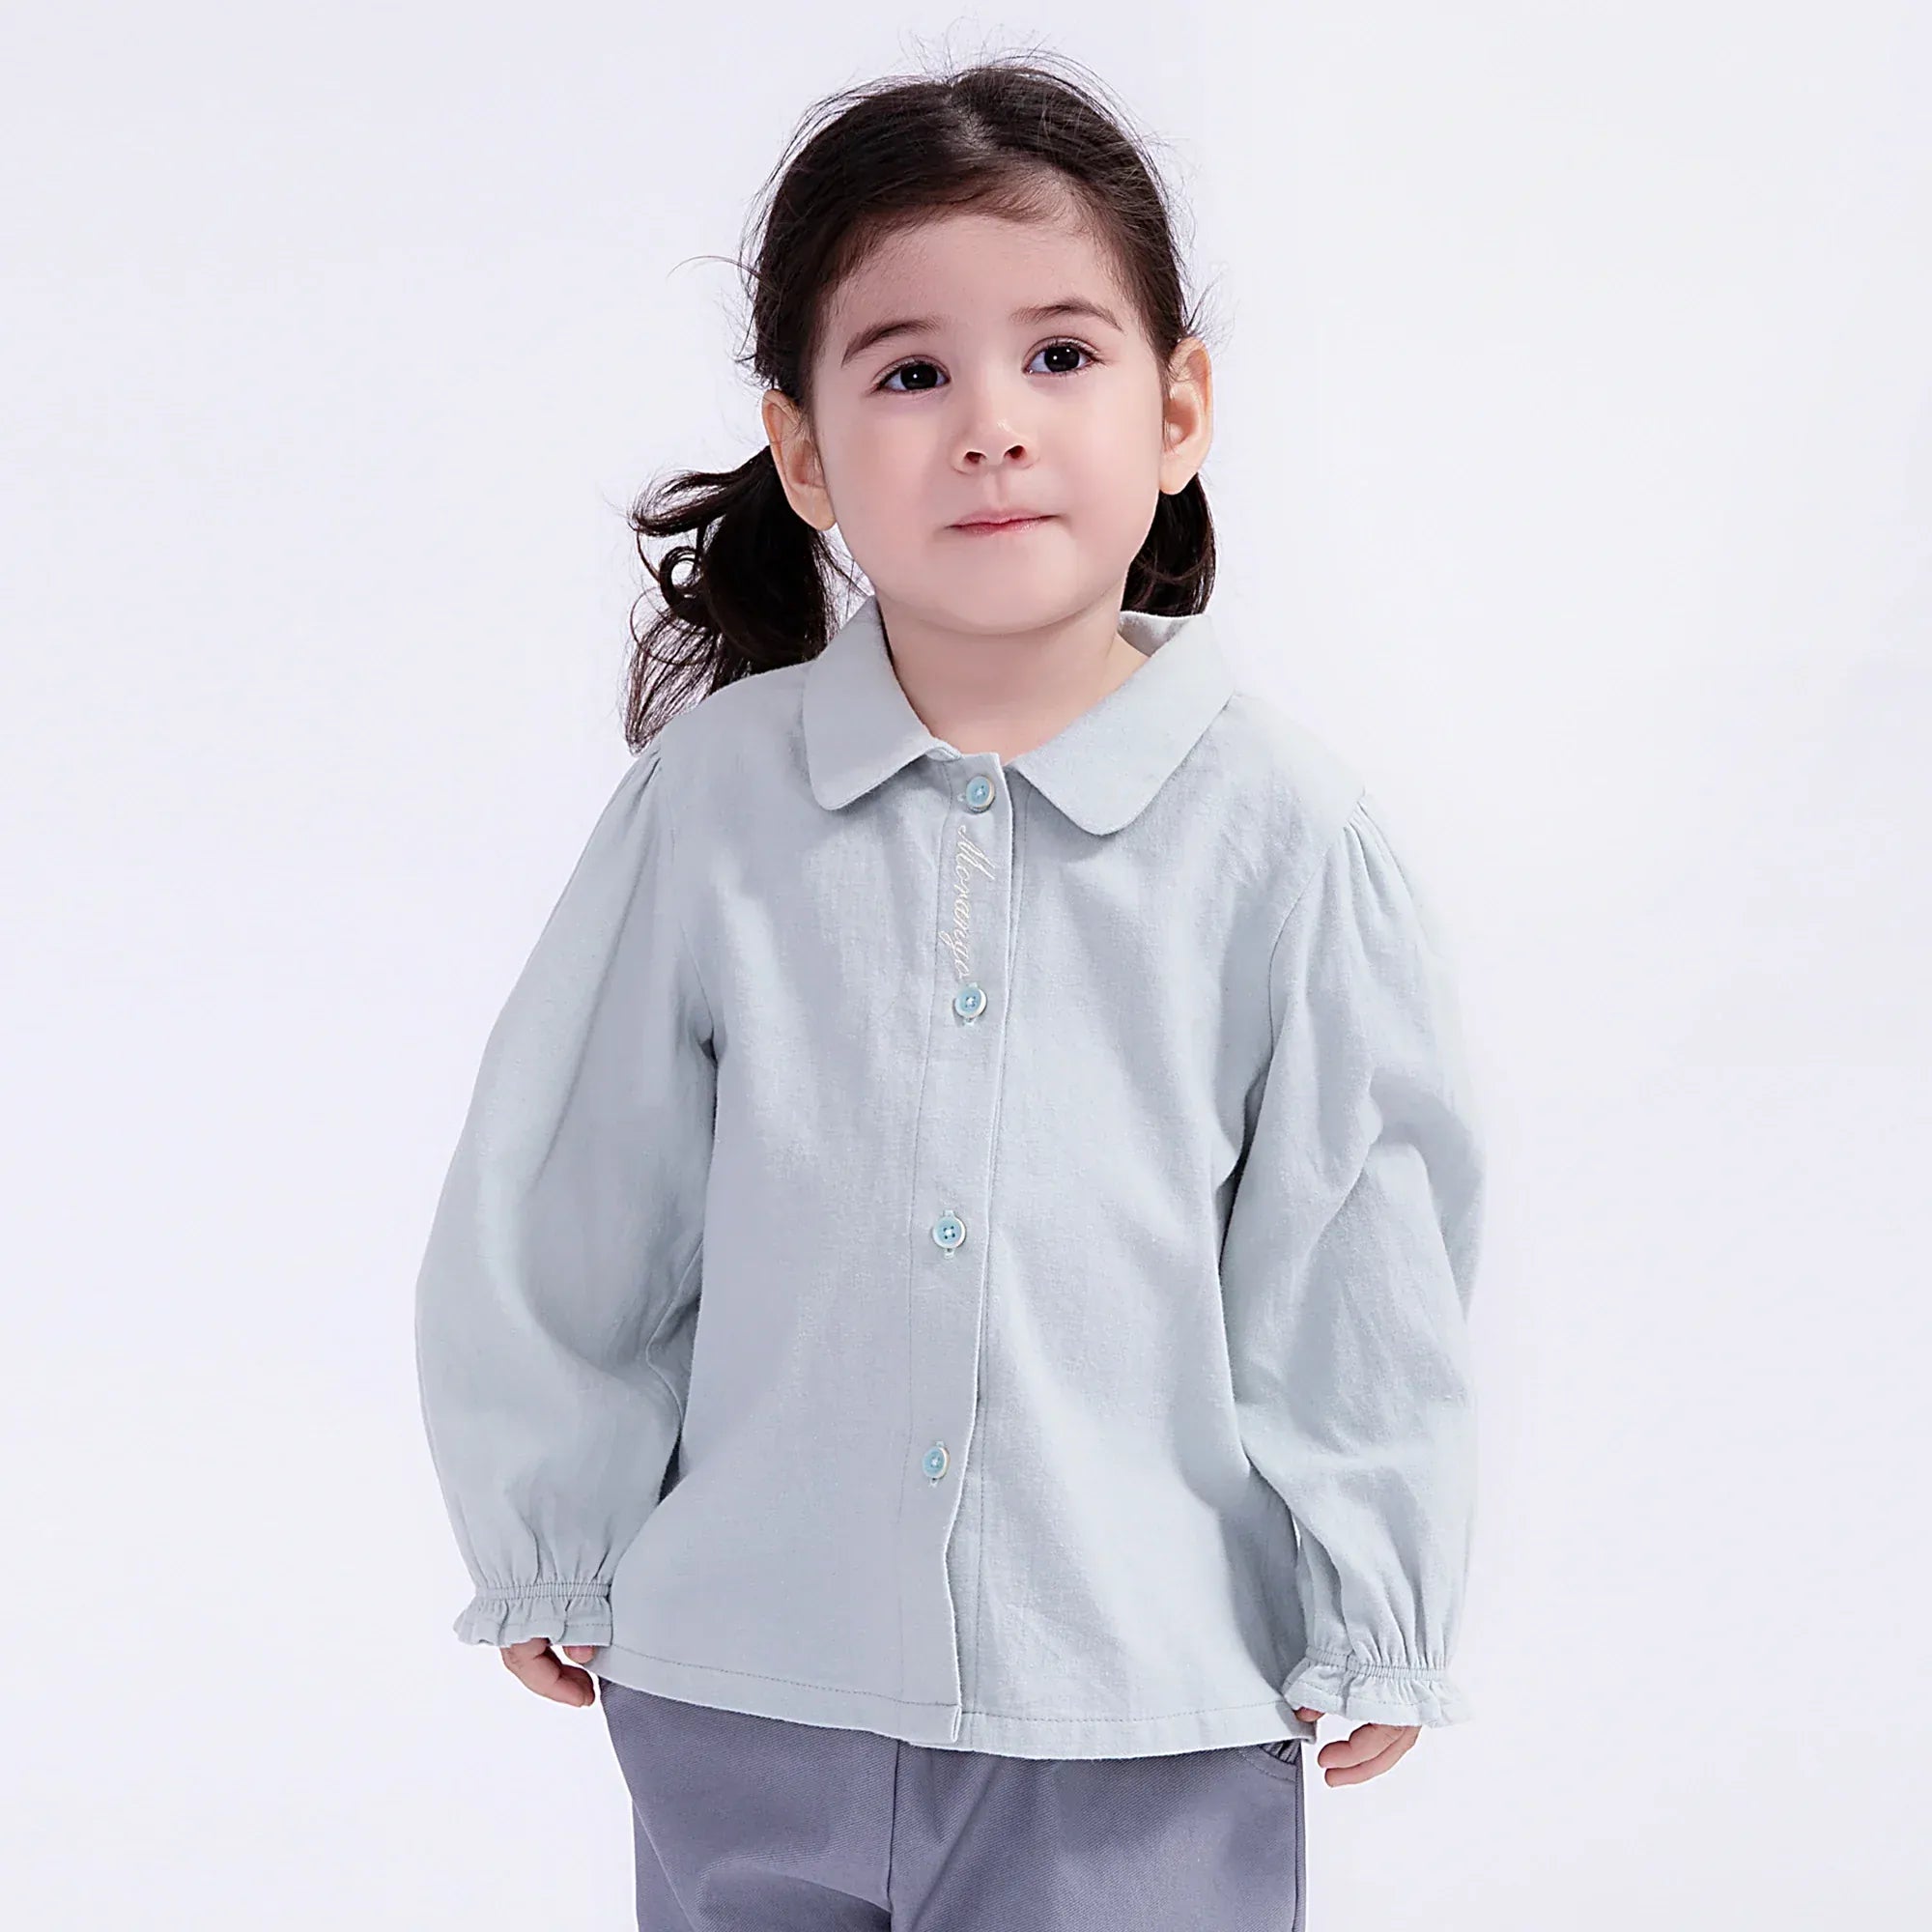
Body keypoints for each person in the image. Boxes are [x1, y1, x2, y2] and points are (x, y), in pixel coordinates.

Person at [412, 50, 1486, 1932]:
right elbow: (573, 1187)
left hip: (1137, 1708)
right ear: (806, 452)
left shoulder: (1283, 836)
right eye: (911, 371)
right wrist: (552, 1523)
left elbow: (1352, 1249)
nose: (991, 424)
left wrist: (1370, 1592)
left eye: (1060, 355)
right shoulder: (715, 807)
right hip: (746, 1684)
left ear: (1178, 409)